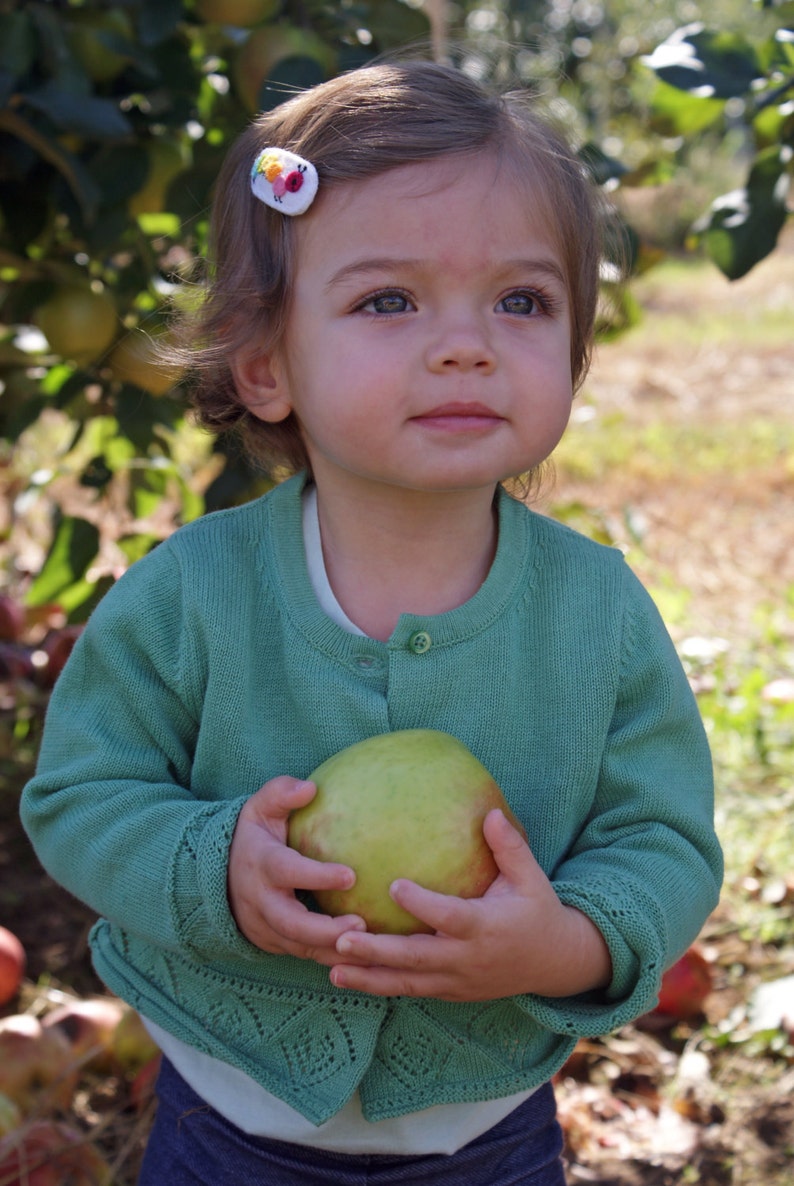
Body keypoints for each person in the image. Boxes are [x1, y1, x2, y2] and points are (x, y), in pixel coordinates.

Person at [20, 59, 723, 1185]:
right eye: (388, 300)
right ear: (263, 365)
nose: (465, 343)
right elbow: (82, 794)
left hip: (483, 1125)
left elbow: (662, 841)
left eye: (522, 300)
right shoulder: (193, 593)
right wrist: (214, 870)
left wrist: (567, 939)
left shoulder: (597, 613)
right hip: (231, 1115)